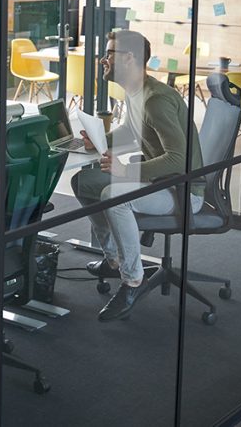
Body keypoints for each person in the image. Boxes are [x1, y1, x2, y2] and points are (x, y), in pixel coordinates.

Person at [71, 30, 203, 322]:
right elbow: (132, 131)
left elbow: (179, 159)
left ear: (129, 58)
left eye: (110, 53)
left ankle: (133, 281)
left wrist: (127, 171)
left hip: (183, 191)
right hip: (161, 182)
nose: (104, 59)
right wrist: (101, 141)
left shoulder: (156, 100)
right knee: (84, 182)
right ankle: (115, 259)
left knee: (114, 196)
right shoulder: (136, 92)